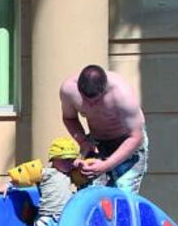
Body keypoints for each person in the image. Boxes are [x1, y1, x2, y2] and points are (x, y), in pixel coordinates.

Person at [60, 64, 149, 193]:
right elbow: (69, 118)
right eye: (86, 100)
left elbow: (136, 137)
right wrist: (83, 142)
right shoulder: (68, 90)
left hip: (126, 143)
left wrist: (106, 165)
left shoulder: (122, 94)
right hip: (97, 143)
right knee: (91, 192)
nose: (91, 104)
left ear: (104, 89)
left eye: (96, 100)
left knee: (122, 191)